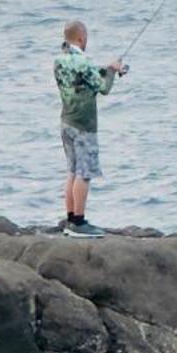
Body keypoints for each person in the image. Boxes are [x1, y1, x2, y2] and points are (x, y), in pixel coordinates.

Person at [54, 20, 126, 235]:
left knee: (72, 171)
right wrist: (112, 71)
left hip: (66, 122)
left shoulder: (59, 60)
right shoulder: (84, 62)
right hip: (84, 125)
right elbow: (103, 88)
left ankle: (70, 219)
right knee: (84, 174)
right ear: (81, 37)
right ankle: (79, 222)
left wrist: (103, 68)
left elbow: (80, 78)